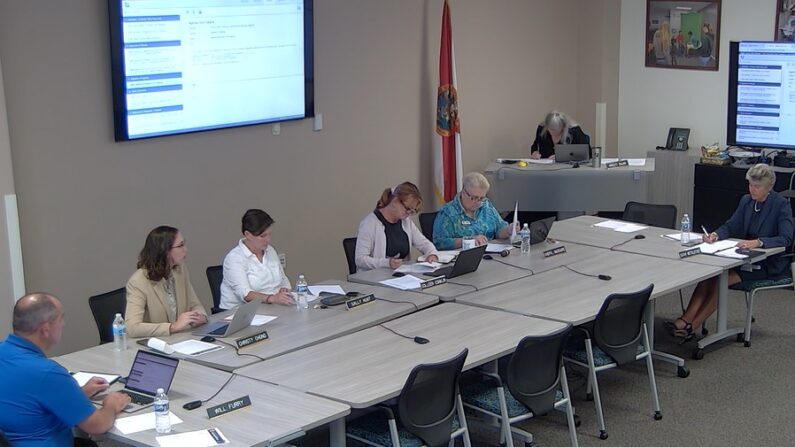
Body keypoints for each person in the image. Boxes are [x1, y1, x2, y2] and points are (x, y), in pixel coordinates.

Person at [666, 164, 793, 339]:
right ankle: (685, 319)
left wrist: (759, 242)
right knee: (710, 276)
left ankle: (691, 326)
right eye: (750, 185)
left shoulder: (780, 205)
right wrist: (716, 235)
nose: (753, 190)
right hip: (743, 258)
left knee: (721, 281)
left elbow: (786, 238)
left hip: (766, 263)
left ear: (769, 187)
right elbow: (731, 225)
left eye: (757, 186)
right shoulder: (746, 201)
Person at [0, 293, 130, 447]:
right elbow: (97, 426)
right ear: (46, 329)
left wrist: (79, 393)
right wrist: (111, 405)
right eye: (61, 318)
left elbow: (28, 401)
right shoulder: (48, 373)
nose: (63, 324)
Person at [126, 225, 208, 338]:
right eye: (181, 245)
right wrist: (172, 327)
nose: (186, 249)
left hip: (180, 339)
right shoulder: (138, 282)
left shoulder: (180, 269)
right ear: (165, 251)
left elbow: (194, 304)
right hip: (154, 344)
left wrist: (201, 317)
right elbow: (132, 328)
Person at [355, 181, 439, 271]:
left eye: (412, 211)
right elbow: (360, 260)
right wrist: (386, 263)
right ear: (395, 200)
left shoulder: (406, 222)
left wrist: (432, 254)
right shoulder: (370, 223)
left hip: (399, 277)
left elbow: (424, 244)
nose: (408, 213)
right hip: (374, 278)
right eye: (407, 208)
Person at [219, 209, 292, 310]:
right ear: (248, 234)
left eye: (269, 234)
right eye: (263, 236)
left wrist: (284, 289)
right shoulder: (234, 258)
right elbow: (245, 294)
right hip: (241, 314)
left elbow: (283, 279)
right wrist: (271, 298)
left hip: (272, 309)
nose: (268, 240)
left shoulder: (270, 251)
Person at [433, 172, 517, 250]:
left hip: (490, 255)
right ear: (463, 192)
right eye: (474, 198)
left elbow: (499, 229)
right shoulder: (448, 212)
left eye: (481, 198)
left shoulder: (486, 205)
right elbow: (439, 243)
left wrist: (509, 230)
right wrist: (468, 241)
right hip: (463, 258)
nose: (478, 202)